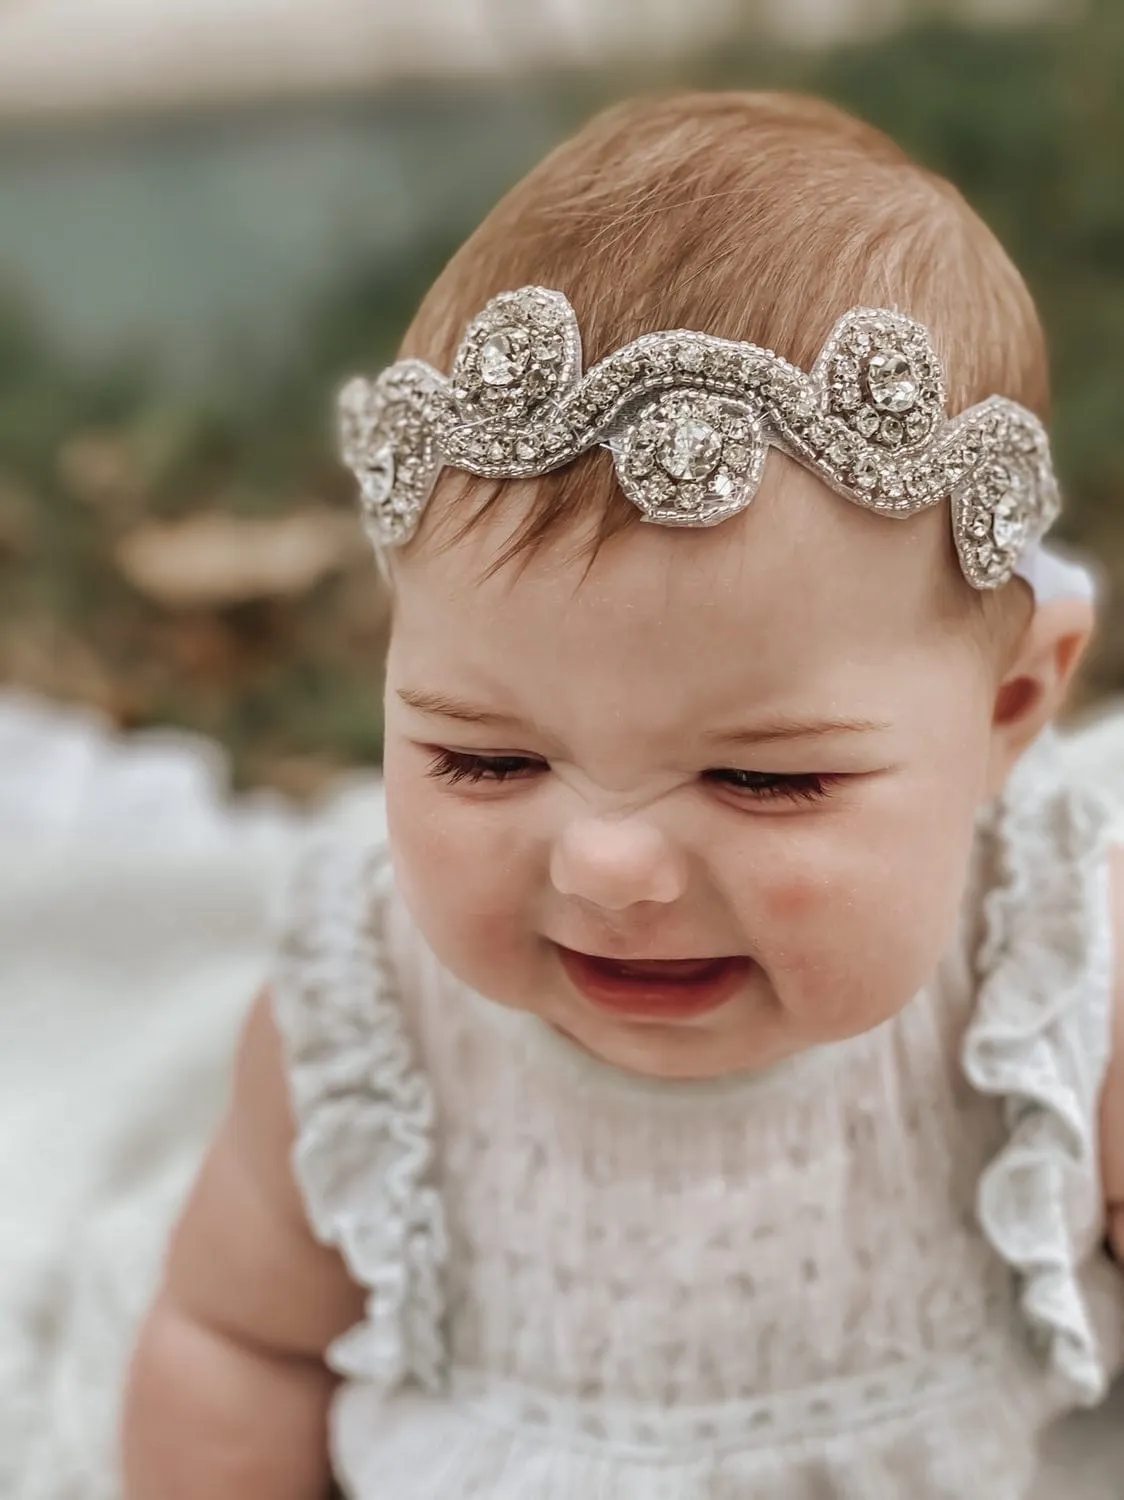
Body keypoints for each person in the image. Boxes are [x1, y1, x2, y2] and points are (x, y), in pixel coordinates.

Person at [119, 91, 1124, 1499]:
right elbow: (239, 1342)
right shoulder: (365, 1036)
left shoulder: (1060, 985)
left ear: (1010, 711)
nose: (605, 864)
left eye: (765, 780)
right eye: (486, 758)